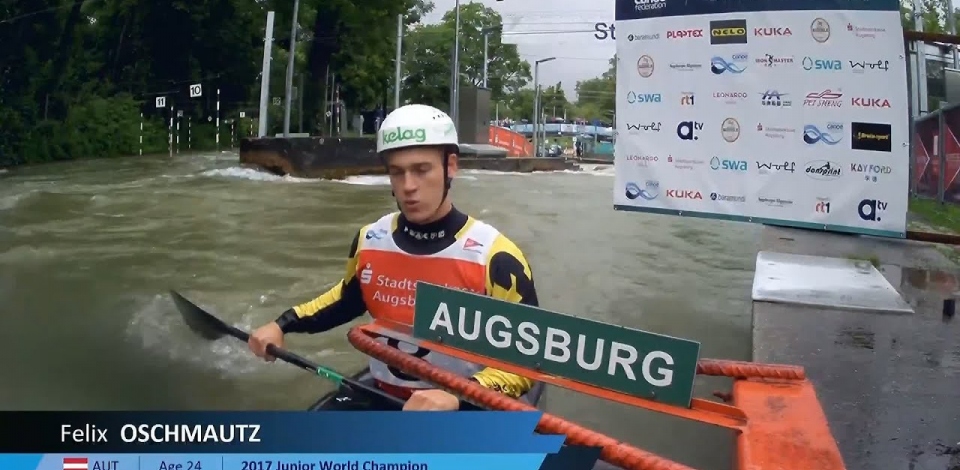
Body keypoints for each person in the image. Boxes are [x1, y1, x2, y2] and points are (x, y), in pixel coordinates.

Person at [247, 104, 540, 411]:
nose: (408, 186)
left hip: (464, 407)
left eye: (421, 170)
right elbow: (346, 299)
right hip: (385, 396)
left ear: (450, 166)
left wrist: (460, 394)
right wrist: (282, 324)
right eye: (397, 173)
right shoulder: (370, 239)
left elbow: (528, 361)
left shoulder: (497, 257)